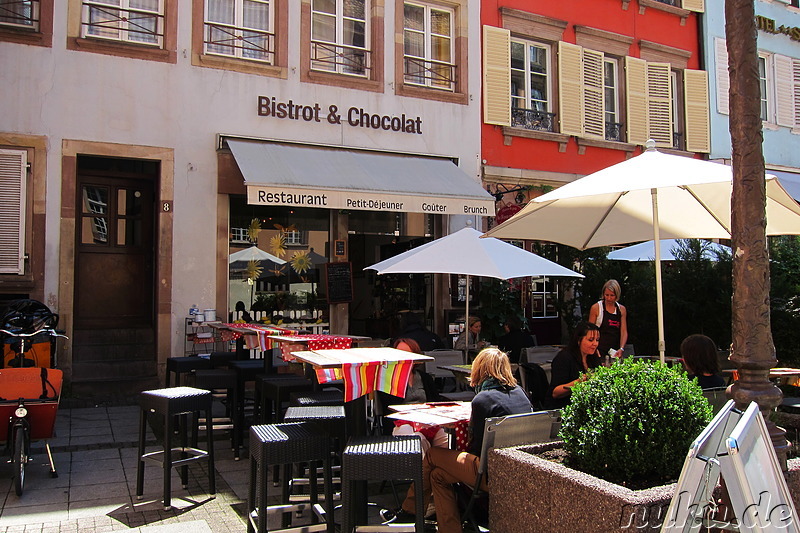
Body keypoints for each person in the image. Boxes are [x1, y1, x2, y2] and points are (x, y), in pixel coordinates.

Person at [382, 348, 532, 533]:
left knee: (431, 455)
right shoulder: (521, 393)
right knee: (437, 476)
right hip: (522, 470)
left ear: (480, 369)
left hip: (490, 474)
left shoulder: (483, 399)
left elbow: (475, 448)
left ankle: (410, 510)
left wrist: (461, 432)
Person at [389, 337, 448, 456]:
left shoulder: (424, 378)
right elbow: (388, 407)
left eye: (406, 354)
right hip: (403, 422)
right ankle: (425, 471)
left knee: (447, 439)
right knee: (417, 440)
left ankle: (443, 471)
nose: (402, 358)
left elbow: (435, 402)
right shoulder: (389, 380)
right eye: (399, 354)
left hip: (426, 421)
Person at [548, 321, 602, 409]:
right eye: (590, 340)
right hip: (565, 407)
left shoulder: (593, 357)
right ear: (579, 340)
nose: (595, 344)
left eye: (597, 340)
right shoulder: (564, 358)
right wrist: (579, 382)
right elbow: (555, 393)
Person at [588, 279, 628, 360]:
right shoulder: (596, 308)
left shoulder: (621, 310)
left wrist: (621, 348)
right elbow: (590, 331)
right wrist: (593, 348)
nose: (609, 298)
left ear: (617, 295)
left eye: (612, 295)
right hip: (599, 350)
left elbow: (623, 331)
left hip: (615, 351)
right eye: (607, 295)